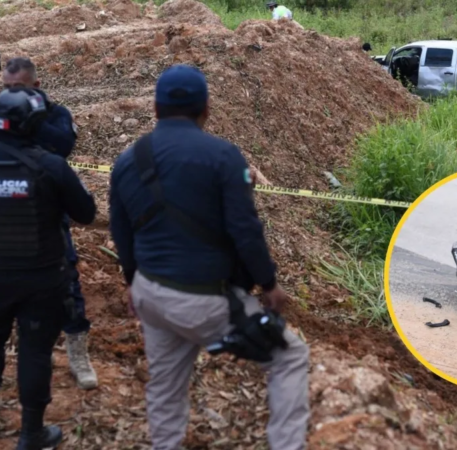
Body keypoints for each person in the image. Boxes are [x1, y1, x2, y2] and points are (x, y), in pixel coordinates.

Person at [108, 64, 310, 450]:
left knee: (166, 385)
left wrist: (133, 284)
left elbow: (121, 232)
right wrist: (268, 284)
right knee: (290, 358)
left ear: (155, 108)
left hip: (150, 293)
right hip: (205, 300)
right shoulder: (223, 156)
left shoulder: (127, 160)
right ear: (207, 109)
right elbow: (245, 229)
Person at [0, 87, 97, 449]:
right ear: (32, 125)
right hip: (42, 279)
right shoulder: (51, 166)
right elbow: (86, 214)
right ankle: (31, 433)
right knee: (36, 352)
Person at [0, 57, 99, 391]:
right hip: (0, 215)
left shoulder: (54, 113)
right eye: (6, 89)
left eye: (18, 89)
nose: (10, 96)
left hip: (45, 215)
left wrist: (29, 123)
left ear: (36, 87)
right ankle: (30, 350)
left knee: (67, 280)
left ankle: (77, 353)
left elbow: (63, 147)